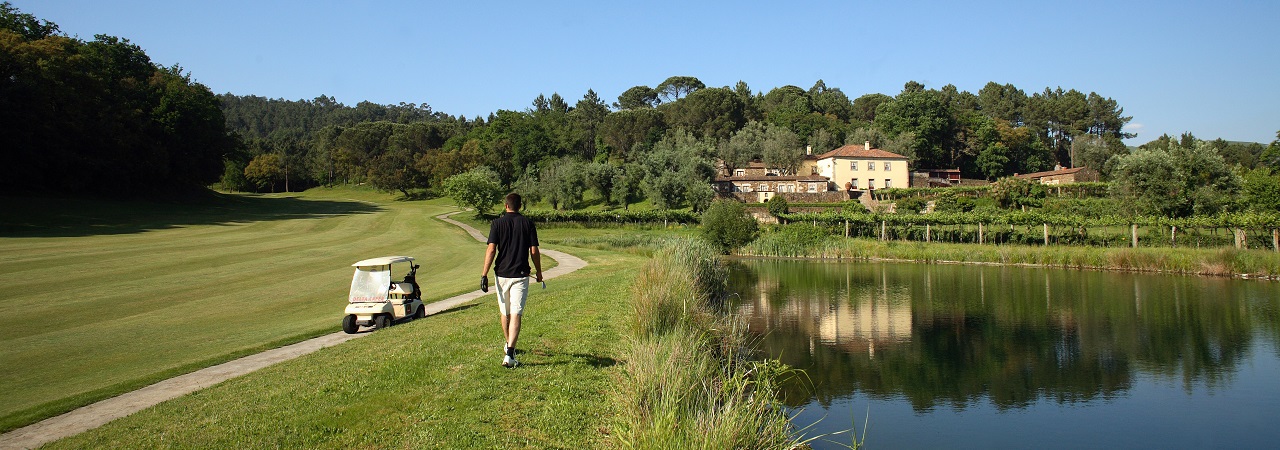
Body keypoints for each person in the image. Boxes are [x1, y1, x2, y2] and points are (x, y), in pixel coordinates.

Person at [480, 192, 543, 368]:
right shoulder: (528, 223)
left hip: (501, 274)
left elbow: (491, 250)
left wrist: (484, 274)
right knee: (516, 313)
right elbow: (534, 251)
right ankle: (510, 352)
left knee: (505, 312)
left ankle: (510, 348)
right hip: (521, 275)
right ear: (520, 206)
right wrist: (539, 272)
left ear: (506, 206)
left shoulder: (497, 223)